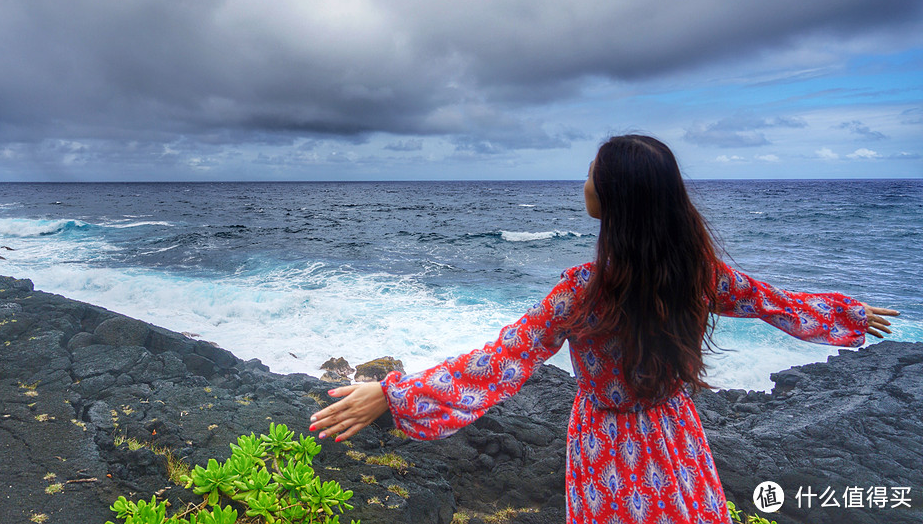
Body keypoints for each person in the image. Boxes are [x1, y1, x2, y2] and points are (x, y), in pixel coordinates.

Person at [308, 134, 899, 524]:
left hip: (605, 441)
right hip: (676, 432)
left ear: (614, 197)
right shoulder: (695, 271)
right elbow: (773, 302)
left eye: (590, 174)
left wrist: (390, 394)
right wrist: (847, 314)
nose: (583, 183)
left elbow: (502, 360)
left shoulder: (584, 290)